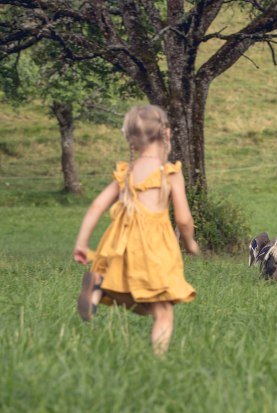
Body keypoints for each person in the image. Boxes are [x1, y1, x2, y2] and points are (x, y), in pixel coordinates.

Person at [73, 105, 198, 355]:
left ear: (131, 140)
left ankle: (98, 288)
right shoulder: (169, 173)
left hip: (119, 245)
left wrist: (81, 243)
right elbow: (183, 220)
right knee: (163, 311)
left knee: (132, 297)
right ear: (167, 134)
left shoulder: (126, 172)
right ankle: (157, 361)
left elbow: (97, 205)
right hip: (153, 248)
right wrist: (190, 243)